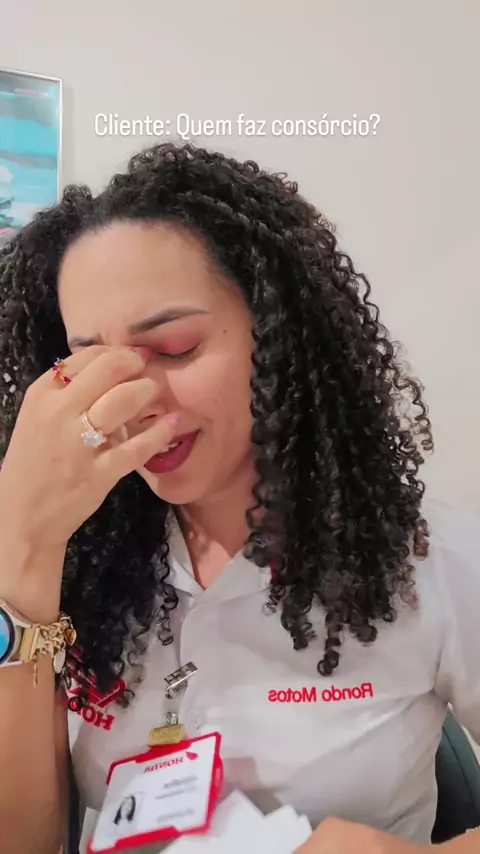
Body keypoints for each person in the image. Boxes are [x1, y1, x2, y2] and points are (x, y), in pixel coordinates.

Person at [0, 142, 478, 854]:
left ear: (279, 338)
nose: (128, 402)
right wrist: (23, 546)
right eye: (90, 365)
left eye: (174, 348)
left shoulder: (430, 562)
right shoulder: (86, 555)